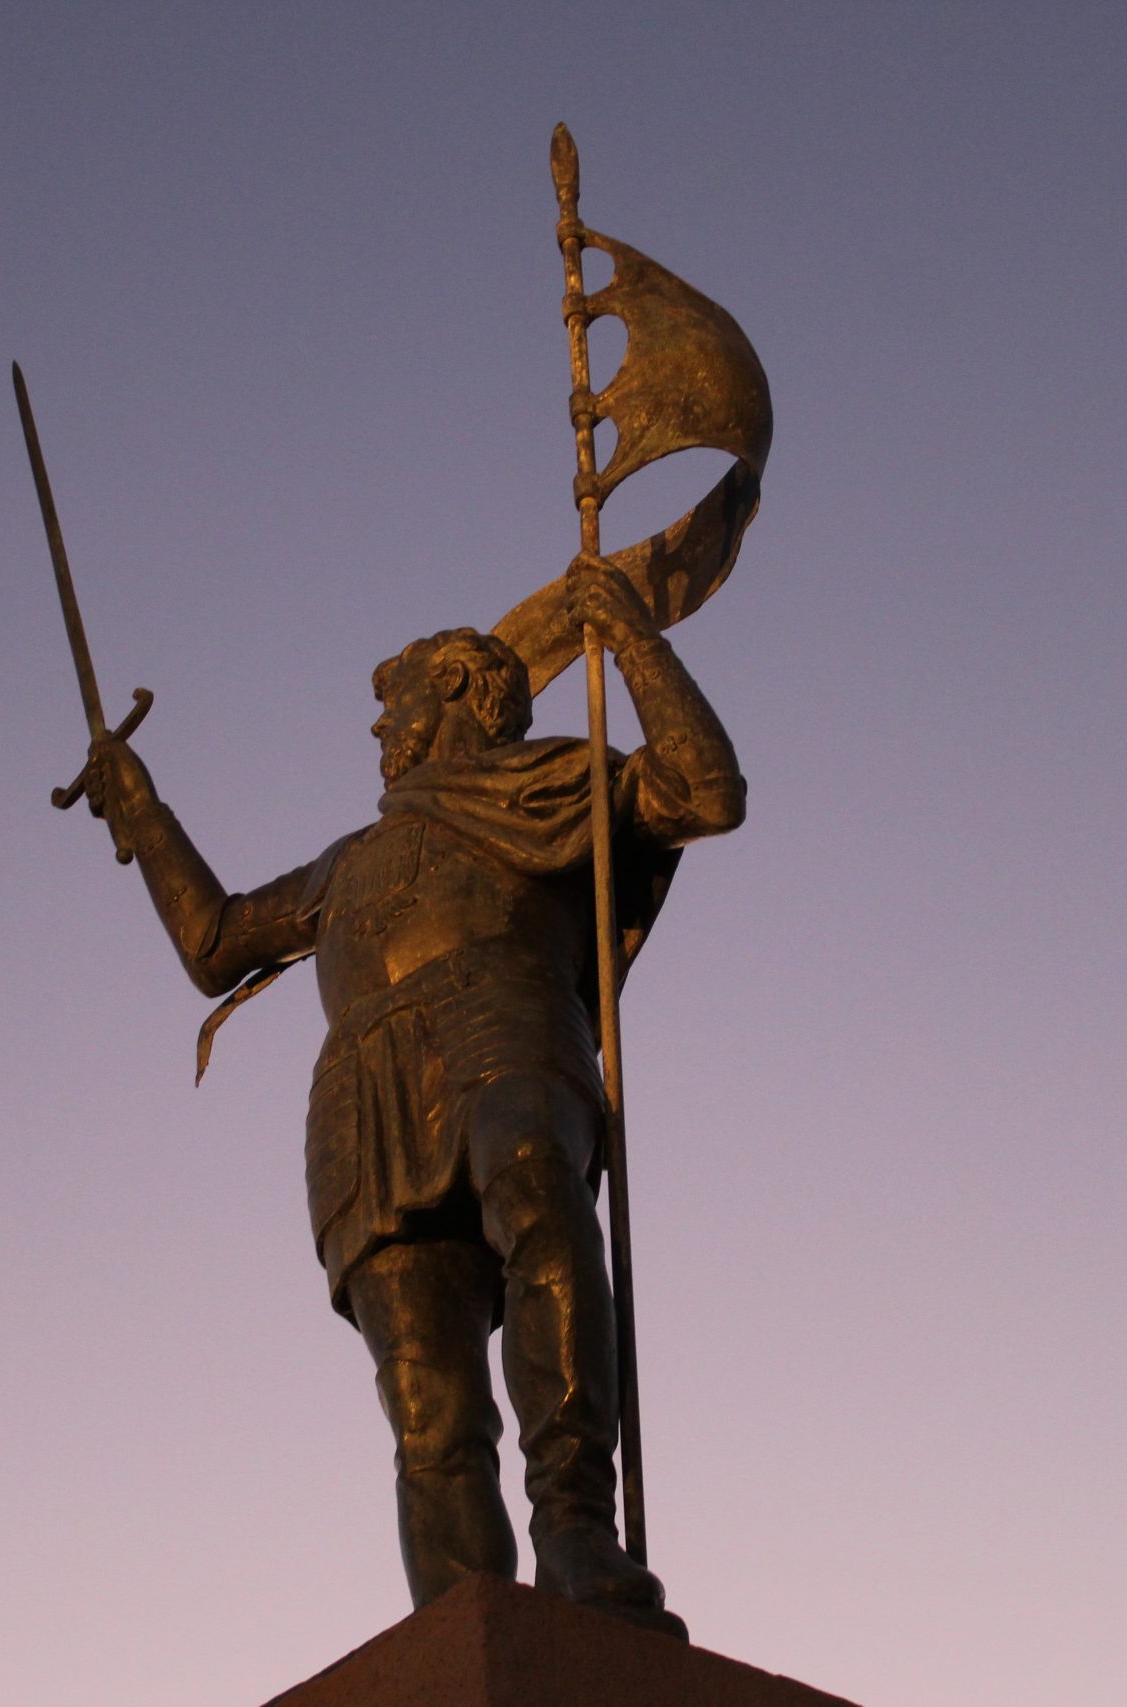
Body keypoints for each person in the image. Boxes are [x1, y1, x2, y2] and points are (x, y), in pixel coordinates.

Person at [79, 559, 743, 1638]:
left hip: (506, 1014)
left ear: (462, 696)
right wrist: (141, 808)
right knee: (424, 1387)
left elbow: (707, 791)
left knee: (538, 1198)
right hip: (365, 1089)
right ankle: (458, 1618)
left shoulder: (550, 782)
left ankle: (575, 1529)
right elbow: (214, 941)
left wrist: (629, 635)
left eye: (396, 706)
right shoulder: (349, 862)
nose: (379, 731)